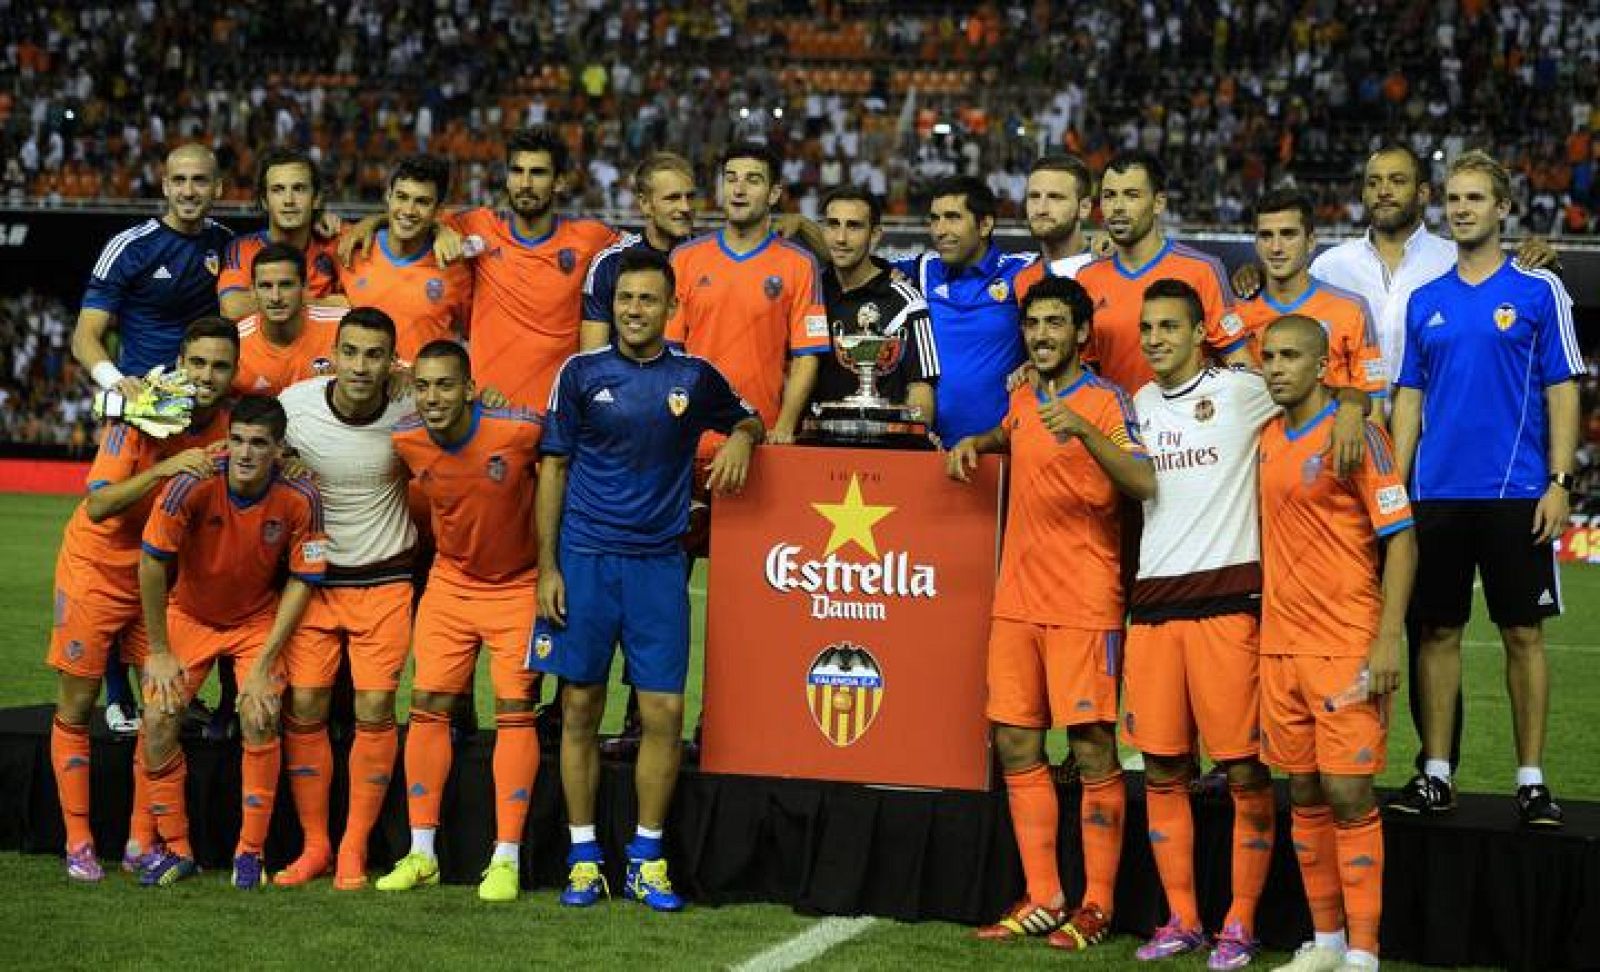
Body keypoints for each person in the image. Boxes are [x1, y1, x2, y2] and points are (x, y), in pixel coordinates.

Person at [532, 249, 763, 912]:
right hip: (585, 559)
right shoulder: (580, 373)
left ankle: (646, 857)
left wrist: (743, 436)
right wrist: (548, 567)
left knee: (664, 712)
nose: (634, 310)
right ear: (613, 306)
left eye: (647, 300)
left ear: (670, 307)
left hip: (659, 564)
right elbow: (552, 470)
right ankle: (583, 858)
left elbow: (748, 416)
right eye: (625, 299)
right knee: (579, 706)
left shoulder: (694, 374)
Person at [947, 276, 1154, 951]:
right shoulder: (1021, 398)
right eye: (1033, 323)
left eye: (1055, 323)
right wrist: (979, 442)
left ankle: (1098, 904)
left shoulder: (1107, 400)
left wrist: (1085, 432)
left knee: (1091, 748)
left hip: (1084, 603)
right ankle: (1044, 895)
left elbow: (1143, 482)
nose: (1041, 335)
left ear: (1082, 333)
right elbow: (1014, 434)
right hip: (1017, 601)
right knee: (1015, 742)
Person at [1388, 151, 1582, 827]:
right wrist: (1395, 492)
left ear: (1503, 208)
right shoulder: (1425, 300)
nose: (1462, 208)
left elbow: (1562, 389)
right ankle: (1437, 774)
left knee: (1522, 634)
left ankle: (1531, 781)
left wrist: (1559, 481)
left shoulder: (1539, 291)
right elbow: (1409, 400)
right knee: (1436, 630)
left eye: (1475, 198)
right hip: (1435, 495)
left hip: (1517, 492)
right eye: (1454, 198)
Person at [1124, 279, 1289, 969]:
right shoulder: (1136, 403)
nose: (1155, 338)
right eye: (1147, 328)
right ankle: (1183, 919)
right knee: (1163, 768)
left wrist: (1348, 409)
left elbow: (1316, 385)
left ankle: (1240, 922)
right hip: (1153, 607)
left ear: (1199, 334)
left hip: (1227, 604)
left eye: (1169, 326)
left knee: (1245, 770)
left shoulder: (1243, 390)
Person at [47, 318, 238, 881]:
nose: (206, 376)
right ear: (181, 362)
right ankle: (78, 841)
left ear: (234, 372)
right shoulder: (139, 409)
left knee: (159, 707)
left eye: (220, 366)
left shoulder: (232, 426)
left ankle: (138, 840)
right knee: (78, 703)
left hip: (160, 580)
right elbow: (99, 505)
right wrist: (166, 469)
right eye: (197, 363)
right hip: (97, 571)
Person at [1257, 315, 1417, 972]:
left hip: (1346, 643)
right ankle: (1325, 942)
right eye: (1268, 356)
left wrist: (1387, 640)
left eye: (1290, 356)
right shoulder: (1266, 435)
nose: (1276, 367)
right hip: (1280, 646)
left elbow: (1401, 540)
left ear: (1322, 365)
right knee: (1302, 792)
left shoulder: (1361, 436)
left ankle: (1364, 951)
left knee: (1349, 794)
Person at [70, 143, 232, 734]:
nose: (189, 191)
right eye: (179, 180)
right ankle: (117, 696)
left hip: (204, 416)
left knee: (187, 558)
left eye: (200, 181)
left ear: (218, 188)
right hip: (143, 421)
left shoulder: (227, 246)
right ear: (164, 186)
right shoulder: (131, 246)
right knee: (124, 548)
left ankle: (176, 690)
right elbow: (85, 335)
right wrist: (119, 385)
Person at [134, 395, 327, 887]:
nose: (245, 453)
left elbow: (303, 579)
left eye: (258, 444)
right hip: (188, 614)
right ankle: (176, 848)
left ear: (279, 450)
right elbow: (152, 562)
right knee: (158, 717)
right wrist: (159, 651)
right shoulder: (192, 482)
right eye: (237, 440)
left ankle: (250, 853)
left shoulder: (302, 495)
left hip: (256, 621)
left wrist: (264, 665)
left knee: (260, 714)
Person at [377, 341, 544, 903]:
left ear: (471, 388)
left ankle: (506, 859)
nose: (432, 397)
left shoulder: (519, 429)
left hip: (518, 584)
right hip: (450, 582)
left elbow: (567, 462)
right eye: (423, 386)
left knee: (514, 708)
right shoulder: (405, 438)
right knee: (427, 703)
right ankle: (421, 853)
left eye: (446, 385)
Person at [275, 308, 420, 889]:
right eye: (351, 352)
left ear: (392, 362)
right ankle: (316, 846)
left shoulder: (412, 406)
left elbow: (468, 407)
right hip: (313, 584)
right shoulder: (295, 406)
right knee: (306, 704)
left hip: (385, 579)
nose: (361, 366)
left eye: (374, 355)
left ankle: (354, 847)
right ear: (333, 354)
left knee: (375, 708)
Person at [446, 127, 621, 408]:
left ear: (559, 182)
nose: (525, 183)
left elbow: (650, 250)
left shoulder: (590, 237)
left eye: (537, 173)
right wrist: (376, 226)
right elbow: (411, 218)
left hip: (557, 415)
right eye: (517, 171)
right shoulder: (478, 225)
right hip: (490, 413)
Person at [668, 141, 828, 446]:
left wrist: (784, 425)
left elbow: (806, 357)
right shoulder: (684, 258)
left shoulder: (799, 264)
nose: (738, 190)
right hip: (690, 436)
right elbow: (669, 350)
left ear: (774, 194)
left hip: (763, 437)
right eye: (731, 179)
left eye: (753, 180)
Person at [1076, 151, 1250, 392]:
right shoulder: (1086, 278)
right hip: (1112, 416)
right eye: (1109, 196)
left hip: (1187, 415)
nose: (1117, 207)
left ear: (1158, 203)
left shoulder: (1201, 270)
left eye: (1131, 195)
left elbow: (1239, 362)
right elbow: (1082, 369)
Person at [894, 175, 1038, 445]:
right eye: (934, 219)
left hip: (1002, 448)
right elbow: (854, 263)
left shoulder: (1022, 270)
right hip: (934, 448)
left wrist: (1105, 246)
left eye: (952, 217)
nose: (940, 230)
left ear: (985, 224)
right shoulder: (924, 269)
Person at [810, 186, 939, 425]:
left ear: (876, 234)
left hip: (882, 443)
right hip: (813, 439)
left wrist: (918, 435)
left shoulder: (906, 302)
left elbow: (921, 389)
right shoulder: (808, 293)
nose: (841, 238)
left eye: (854, 226)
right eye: (833, 225)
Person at [335, 155, 473, 364]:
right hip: (358, 381)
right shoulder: (351, 247)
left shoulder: (456, 268)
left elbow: (470, 333)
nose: (409, 210)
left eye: (422, 202)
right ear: (388, 196)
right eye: (402, 197)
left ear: (438, 210)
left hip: (422, 384)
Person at [582, 152, 699, 342]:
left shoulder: (711, 261)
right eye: (673, 198)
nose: (686, 207)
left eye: (690, 197)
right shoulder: (610, 263)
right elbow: (593, 353)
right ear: (645, 204)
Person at [217, 148, 343, 320]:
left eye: (299, 189)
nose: (289, 200)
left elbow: (356, 303)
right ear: (264, 201)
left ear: (316, 199)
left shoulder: (335, 245)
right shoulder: (243, 248)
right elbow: (233, 308)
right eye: (278, 190)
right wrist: (321, 302)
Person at [233, 243, 347, 396]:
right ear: (253, 291)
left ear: (305, 287)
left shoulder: (342, 327)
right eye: (266, 286)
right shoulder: (236, 344)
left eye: (286, 285)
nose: (276, 297)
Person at [1022, 153, 1097, 279]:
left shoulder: (1109, 270)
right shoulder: (1016, 275)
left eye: (1055, 197)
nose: (1041, 209)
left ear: (1084, 208)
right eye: (1034, 196)